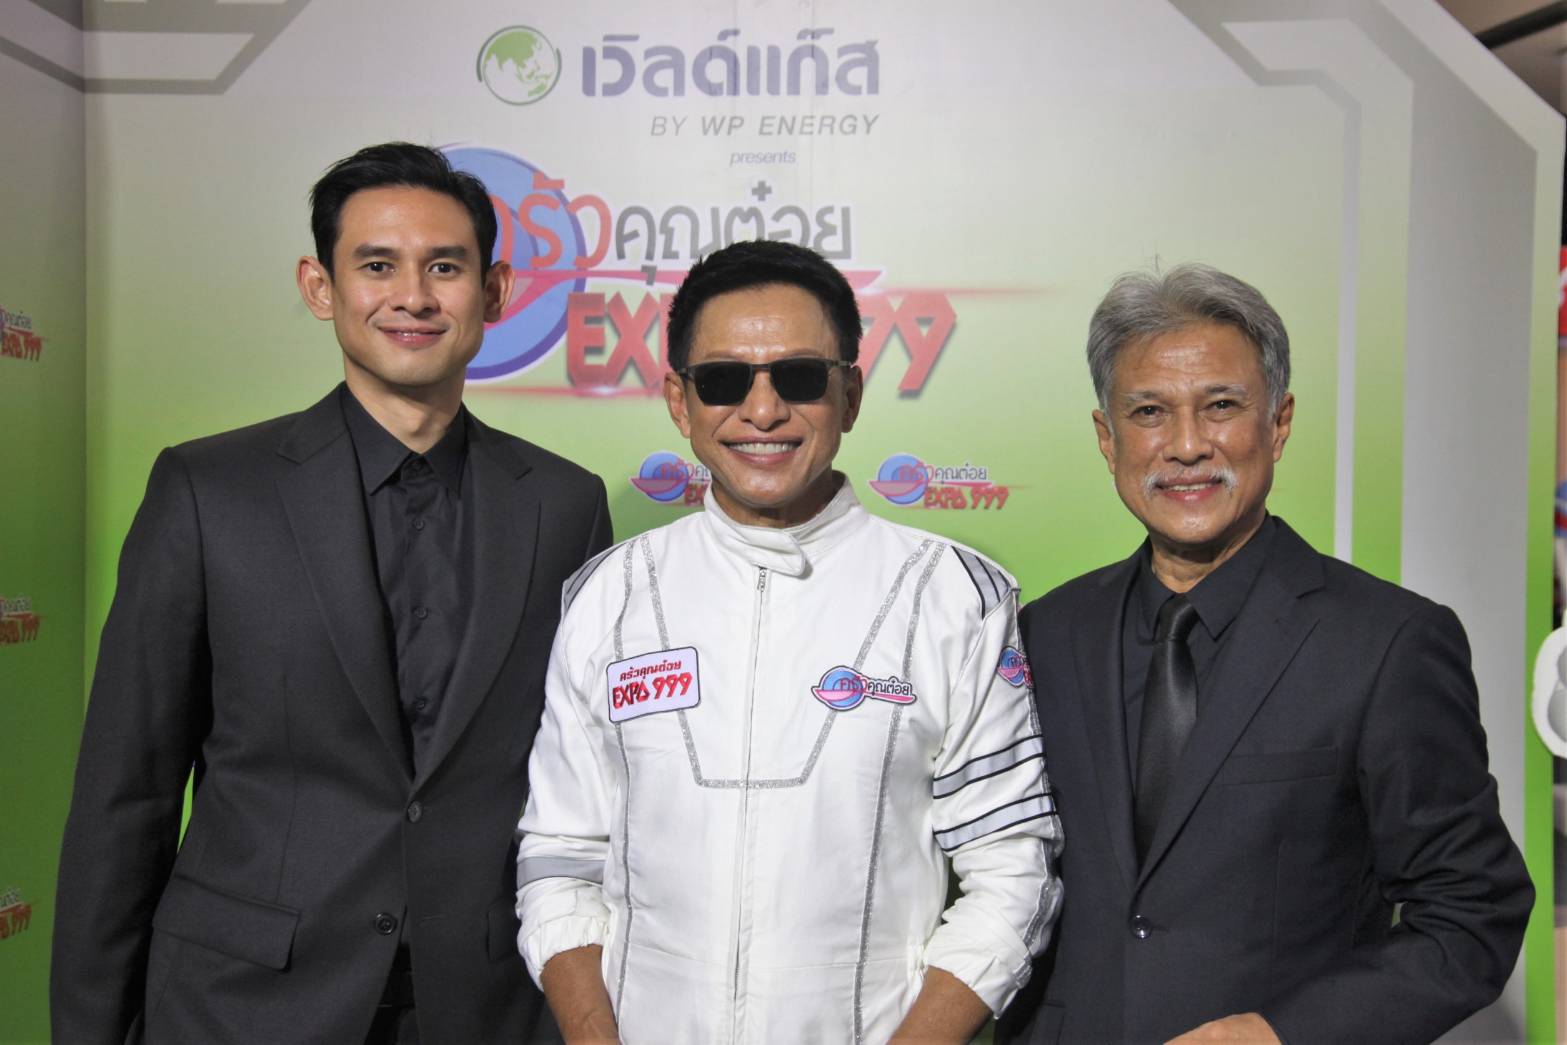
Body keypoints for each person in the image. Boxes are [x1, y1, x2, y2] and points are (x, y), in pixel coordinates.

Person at [52, 142, 611, 1044]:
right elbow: (127, 794)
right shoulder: (209, 491)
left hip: (488, 1006)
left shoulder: (563, 504)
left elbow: (583, 784)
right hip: (242, 1004)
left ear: (496, 290)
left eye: (444, 267)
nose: (413, 296)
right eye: (377, 265)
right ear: (321, 287)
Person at [514, 239, 1062, 1043]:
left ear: (850, 395)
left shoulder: (953, 595)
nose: (762, 410)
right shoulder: (609, 593)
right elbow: (560, 857)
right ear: (679, 402)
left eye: (799, 377)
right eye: (723, 380)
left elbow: (1011, 870)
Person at [998, 264, 1532, 1044]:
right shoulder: (1044, 633)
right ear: (1107, 438)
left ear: (1277, 423)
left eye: (1220, 405)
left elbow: (1471, 912)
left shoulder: (1387, 642)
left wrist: (1284, 1032)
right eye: (1148, 412)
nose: (1186, 445)